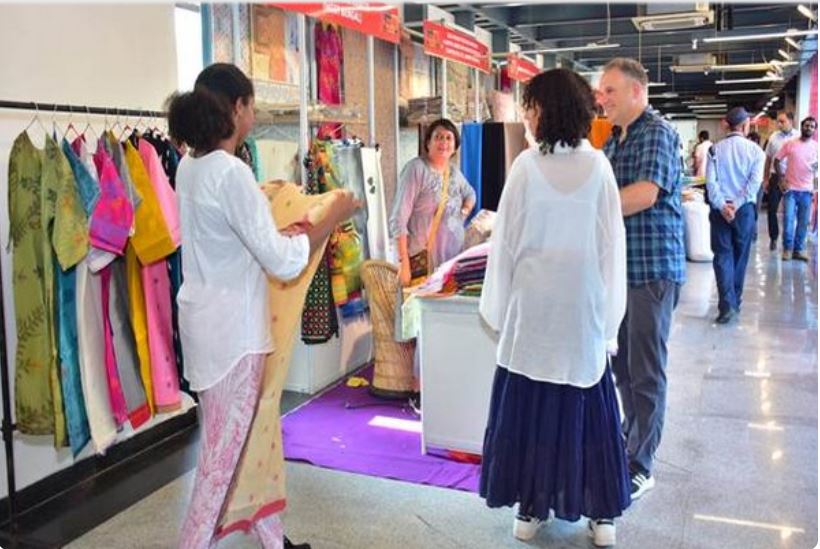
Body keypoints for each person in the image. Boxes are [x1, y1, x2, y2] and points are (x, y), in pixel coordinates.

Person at [168, 63, 358, 549]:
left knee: (238, 445)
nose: (253, 116)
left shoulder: (192, 166)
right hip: (234, 336)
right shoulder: (229, 173)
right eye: (251, 107)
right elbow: (284, 260)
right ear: (237, 108)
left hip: (206, 326)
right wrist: (332, 215)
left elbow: (234, 236)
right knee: (219, 464)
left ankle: (274, 540)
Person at [479, 68, 630, 548]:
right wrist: (609, 318)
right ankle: (601, 515)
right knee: (588, 408)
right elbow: (611, 249)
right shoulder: (600, 168)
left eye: (531, 105)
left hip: (534, 309)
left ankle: (532, 506)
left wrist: (498, 309)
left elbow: (505, 244)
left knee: (531, 407)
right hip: (581, 308)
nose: (527, 114)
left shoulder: (526, 167)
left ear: (546, 111)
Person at [598, 58, 686, 500]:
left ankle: (642, 463)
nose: (603, 99)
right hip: (621, 273)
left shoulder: (658, 133)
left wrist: (589, 210)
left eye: (610, 90)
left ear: (636, 91)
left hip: (652, 271)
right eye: (601, 91)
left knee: (647, 371)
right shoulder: (615, 139)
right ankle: (629, 445)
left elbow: (644, 195)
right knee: (623, 368)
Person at [389, 119, 476, 287]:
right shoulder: (416, 169)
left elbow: (470, 193)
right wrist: (403, 263)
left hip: (451, 261)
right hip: (423, 261)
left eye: (448, 138)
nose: (443, 142)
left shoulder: (454, 173)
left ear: (455, 146)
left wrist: (463, 212)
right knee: (420, 309)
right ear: (428, 143)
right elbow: (398, 218)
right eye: (438, 137)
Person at [705, 107, 765, 324]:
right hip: (744, 212)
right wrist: (736, 205)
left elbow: (711, 184)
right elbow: (754, 185)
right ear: (745, 125)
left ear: (727, 124)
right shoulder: (757, 152)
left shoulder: (714, 150)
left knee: (722, 256)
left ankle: (726, 305)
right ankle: (734, 301)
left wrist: (723, 206)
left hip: (720, 212)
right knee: (740, 257)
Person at [775, 116, 818, 262]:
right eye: (807, 125)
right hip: (791, 190)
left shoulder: (816, 147)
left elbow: (817, 171)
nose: (809, 128)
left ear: (815, 130)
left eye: (812, 126)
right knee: (788, 220)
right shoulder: (790, 144)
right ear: (802, 127)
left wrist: (816, 189)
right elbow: (777, 160)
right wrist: (781, 178)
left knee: (803, 222)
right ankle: (787, 249)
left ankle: (798, 250)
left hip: (807, 191)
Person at [764, 111, 800, 250]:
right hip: (775, 177)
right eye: (778, 121)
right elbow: (768, 159)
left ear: (791, 121)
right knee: (772, 209)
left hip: (793, 178)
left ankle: (789, 240)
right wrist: (765, 178)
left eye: (782, 121)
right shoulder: (773, 137)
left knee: (791, 211)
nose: (779, 124)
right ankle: (773, 237)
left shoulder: (798, 137)